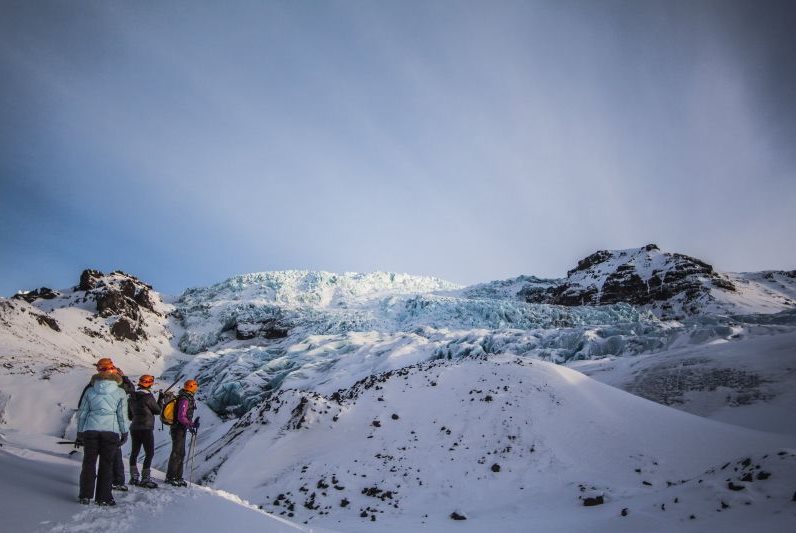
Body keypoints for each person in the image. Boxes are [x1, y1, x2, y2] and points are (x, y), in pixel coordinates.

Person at [76, 366, 129, 506]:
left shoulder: (90, 390)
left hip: (90, 430)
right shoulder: (120, 392)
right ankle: (104, 497)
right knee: (107, 465)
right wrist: (124, 432)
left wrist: (80, 432)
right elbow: (122, 416)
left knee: (88, 463)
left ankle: (85, 496)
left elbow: (82, 413)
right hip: (110, 432)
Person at [128, 374, 162, 488]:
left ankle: (134, 477)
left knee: (134, 452)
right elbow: (157, 411)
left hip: (134, 427)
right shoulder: (148, 397)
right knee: (149, 452)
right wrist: (161, 399)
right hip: (146, 428)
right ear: (150, 383)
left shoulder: (131, 397)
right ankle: (145, 478)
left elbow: (129, 416)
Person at [165, 379, 200, 487]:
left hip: (180, 428)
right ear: (191, 387)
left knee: (180, 452)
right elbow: (181, 416)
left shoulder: (185, 397)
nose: (196, 387)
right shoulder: (185, 399)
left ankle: (177, 477)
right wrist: (191, 425)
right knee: (177, 452)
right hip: (178, 428)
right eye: (195, 386)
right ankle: (171, 477)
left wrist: (190, 425)